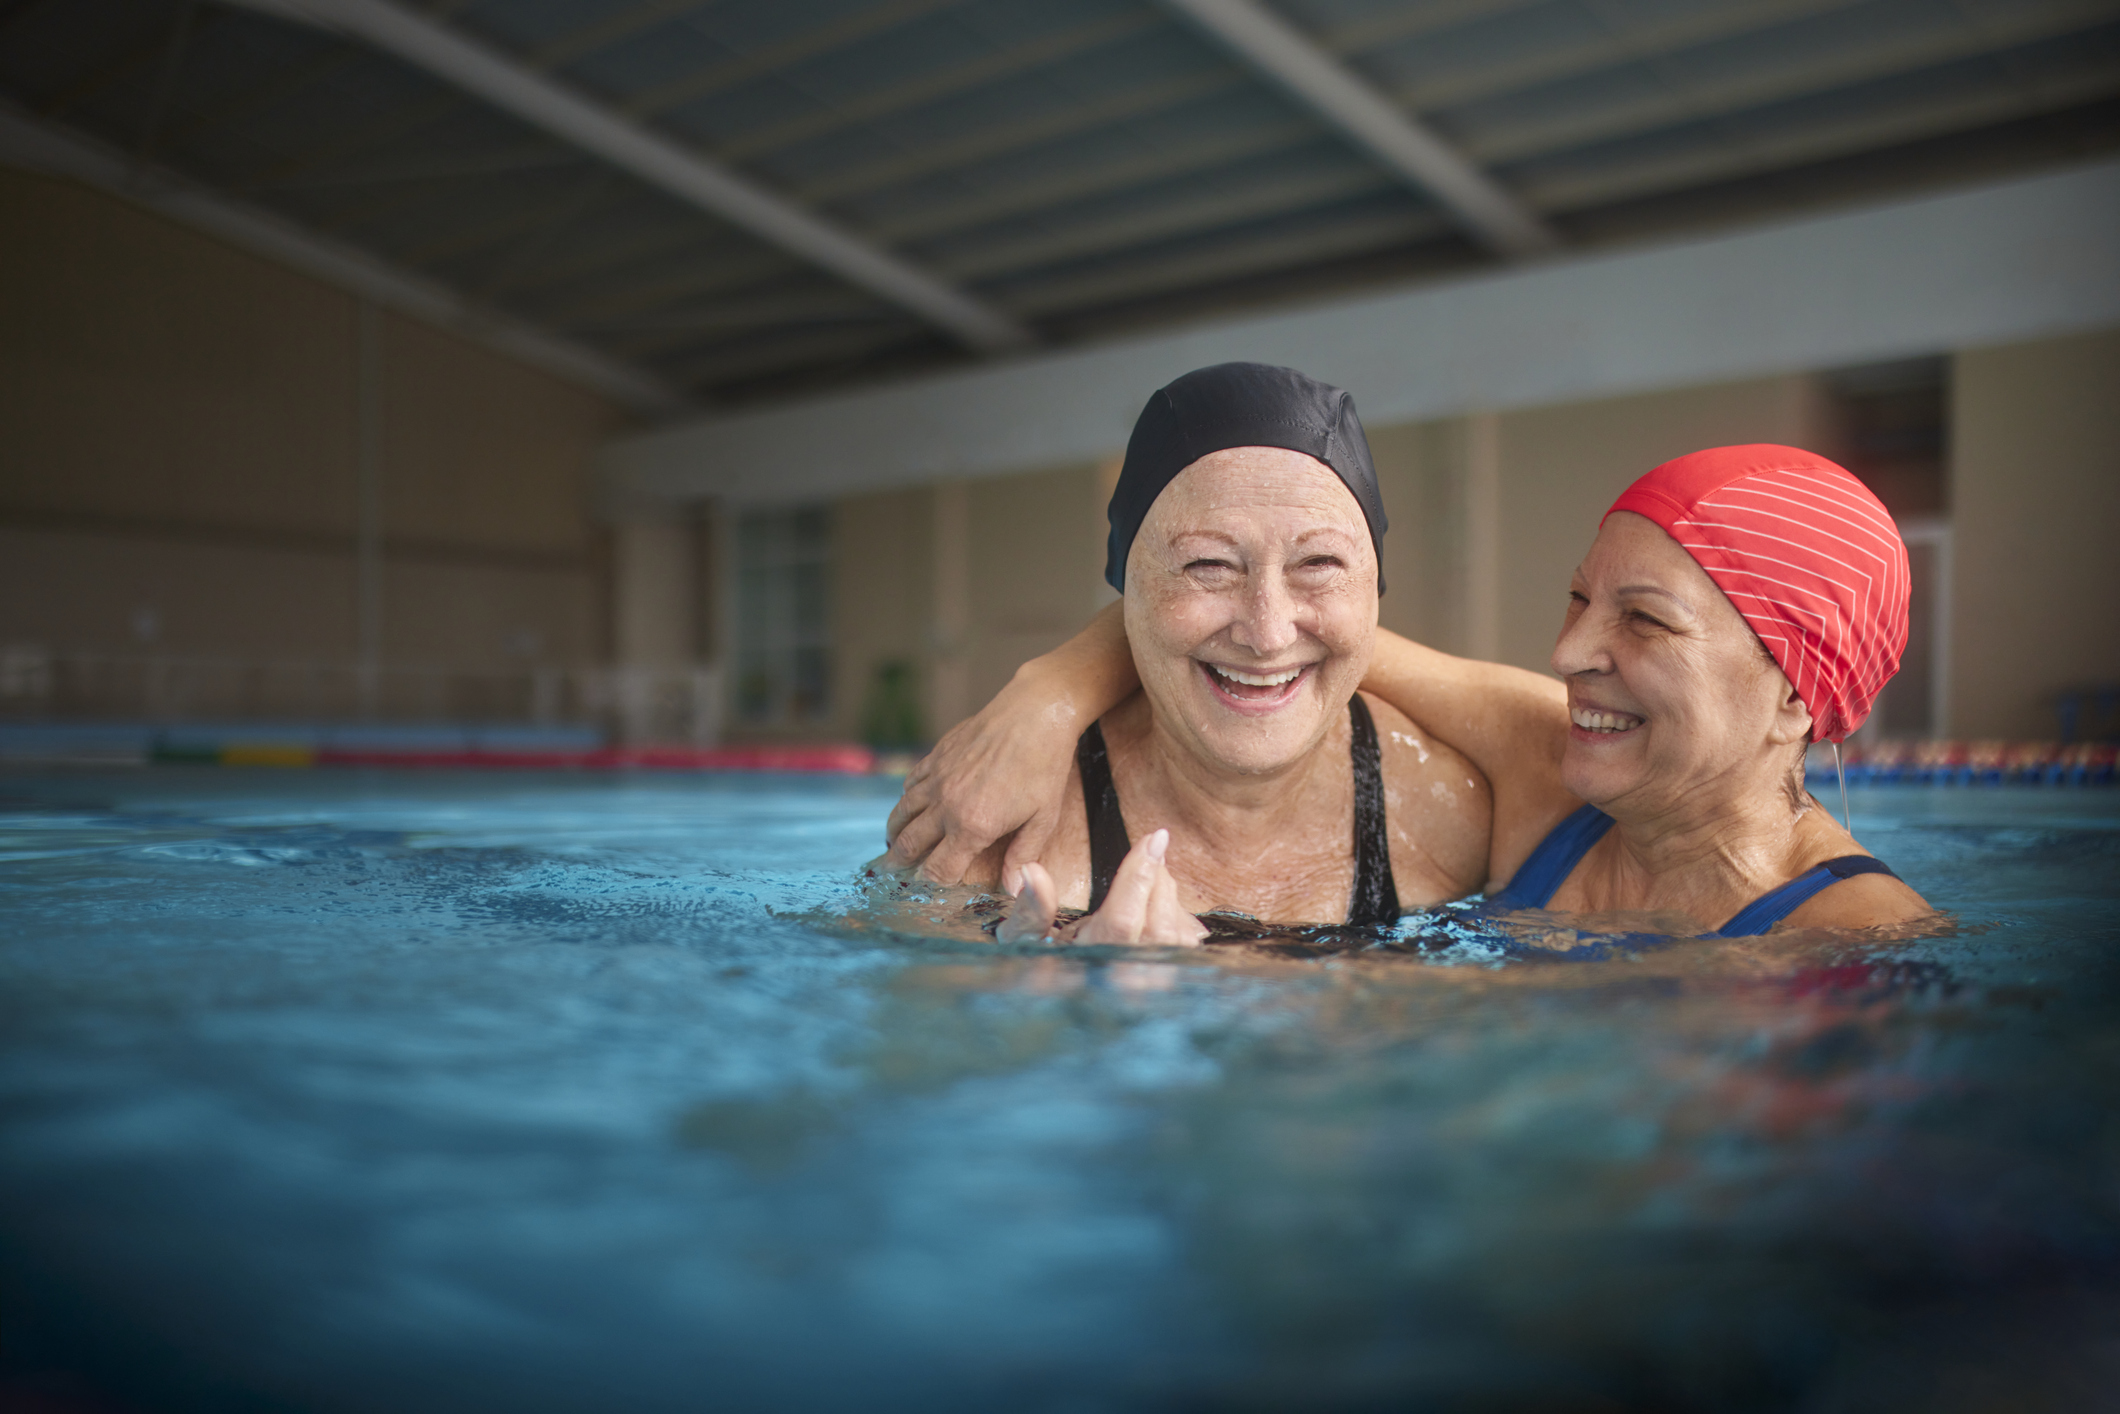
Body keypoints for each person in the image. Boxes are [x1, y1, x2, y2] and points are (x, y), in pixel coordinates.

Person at [890, 443, 1933, 939]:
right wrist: (1047, 692)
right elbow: (1303, 639)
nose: (1569, 651)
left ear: (1797, 696)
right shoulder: (1549, 769)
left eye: (1642, 620)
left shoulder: (1859, 940)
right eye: (1578, 599)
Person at [909, 361, 1492, 946]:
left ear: (1373, 590)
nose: (1268, 634)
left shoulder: (1453, 819)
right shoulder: (999, 826)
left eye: (1318, 564)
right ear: (1126, 589)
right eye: (1208, 566)